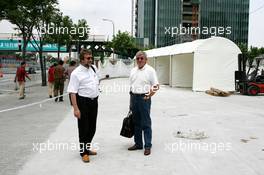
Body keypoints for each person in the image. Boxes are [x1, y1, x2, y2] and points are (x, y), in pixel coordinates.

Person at [67, 49, 99, 163]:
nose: (90, 60)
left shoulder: (94, 69)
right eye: (88, 58)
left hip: (94, 102)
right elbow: (72, 92)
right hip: (83, 102)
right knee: (83, 128)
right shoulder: (76, 73)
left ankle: (87, 148)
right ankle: (84, 152)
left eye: (91, 57)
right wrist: (76, 108)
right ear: (81, 59)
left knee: (92, 127)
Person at [128, 51, 159, 156]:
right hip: (134, 97)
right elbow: (131, 86)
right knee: (136, 122)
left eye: (142, 58)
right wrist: (131, 102)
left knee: (145, 123)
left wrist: (148, 96)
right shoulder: (133, 70)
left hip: (144, 98)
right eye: (138, 58)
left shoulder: (150, 70)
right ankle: (138, 144)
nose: (140, 60)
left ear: (146, 59)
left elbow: (156, 86)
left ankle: (147, 146)